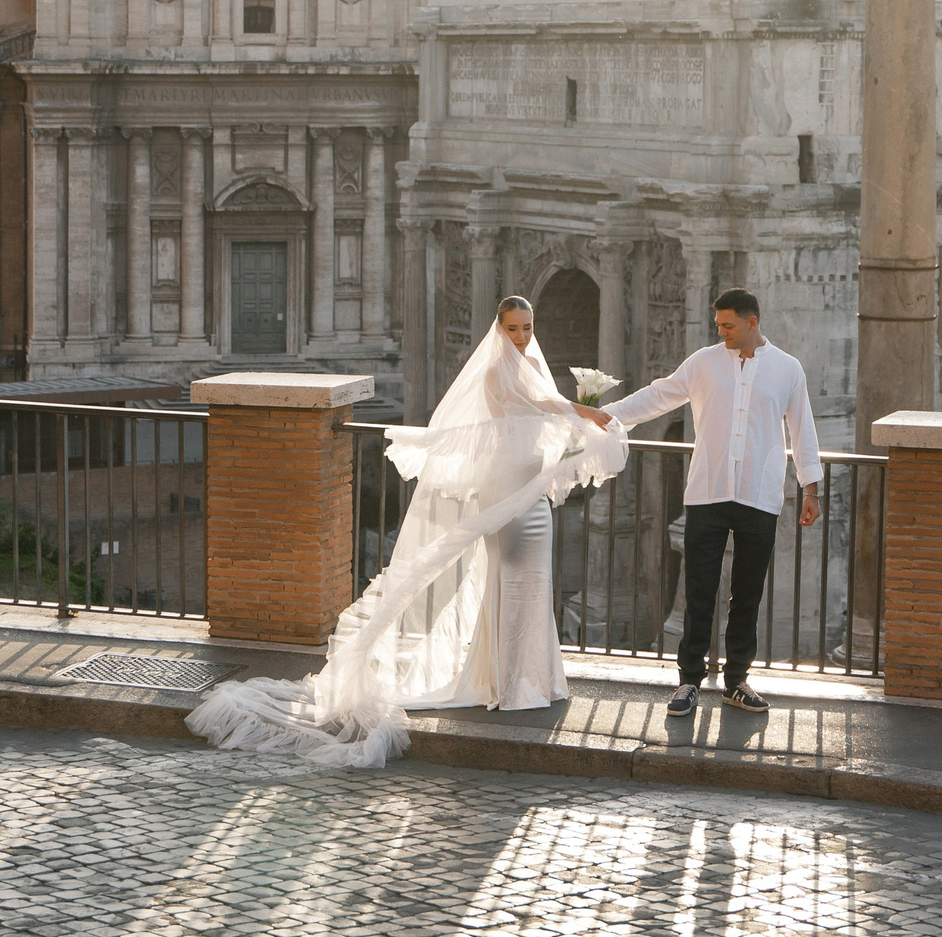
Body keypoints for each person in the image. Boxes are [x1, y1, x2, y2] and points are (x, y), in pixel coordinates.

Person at [188, 295, 624, 768]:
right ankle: (517, 685)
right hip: (506, 492)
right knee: (518, 582)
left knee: (525, 584)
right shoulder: (500, 370)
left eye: (527, 328)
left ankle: (525, 679)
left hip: (530, 491)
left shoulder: (529, 367)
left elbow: (540, 421)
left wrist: (573, 431)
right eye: (514, 329)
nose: (521, 337)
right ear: (499, 330)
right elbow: (538, 406)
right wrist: (584, 412)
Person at [591, 287, 821, 715]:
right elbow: (658, 395)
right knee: (699, 591)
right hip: (707, 492)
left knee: (746, 595)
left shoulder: (788, 369)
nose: (722, 332)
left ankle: (737, 681)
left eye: (728, 325)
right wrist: (607, 415)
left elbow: (802, 429)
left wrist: (811, 487)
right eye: (718, 326)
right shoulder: (703, 363)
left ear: (752, 323)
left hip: (759, 493)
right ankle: (688, 683)